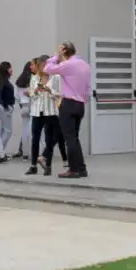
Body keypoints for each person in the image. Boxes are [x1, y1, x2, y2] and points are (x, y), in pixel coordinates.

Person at [43, 41, 91, 179]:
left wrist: (56, 57)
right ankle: (81, 168)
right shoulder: (85, 65)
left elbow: (47, 68)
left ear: (64, 50)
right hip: (80, 104)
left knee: (69, 138)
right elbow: (88, 87)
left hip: (69, 103)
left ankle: (73, 169)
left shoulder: (68, 65)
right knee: (74, 137)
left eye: (60, 50)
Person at [27, 55, 65, 176]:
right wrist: (35, 92)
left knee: (49, 140)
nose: (43, 67)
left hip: (50, 111)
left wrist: (49, 91)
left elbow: (60, 94)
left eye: (45, 65)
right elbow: (31, 94)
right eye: (41, 65)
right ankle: (33, 165)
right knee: (35, 139)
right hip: (37, 111)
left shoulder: (56, 78)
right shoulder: (34, 78)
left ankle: (48, 166)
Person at [14, 61, 34, 160]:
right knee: (34, 131)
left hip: (23, 106)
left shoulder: (19, 81)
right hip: (32, 106)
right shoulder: (33, 79)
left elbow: (16, 96)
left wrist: (21, 102)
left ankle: (25, 153)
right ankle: (36, 152)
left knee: (25, 130)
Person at [0, 61, 17, 155]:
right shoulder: (6, 83)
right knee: (8, 131)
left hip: (3, 108)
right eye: (10, 67)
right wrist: (8, 106)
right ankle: (0, 151)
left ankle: (1, 151)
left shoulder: (2, 81)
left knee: (2, 130)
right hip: (6, 108)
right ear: (6, 70)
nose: (11, 69)